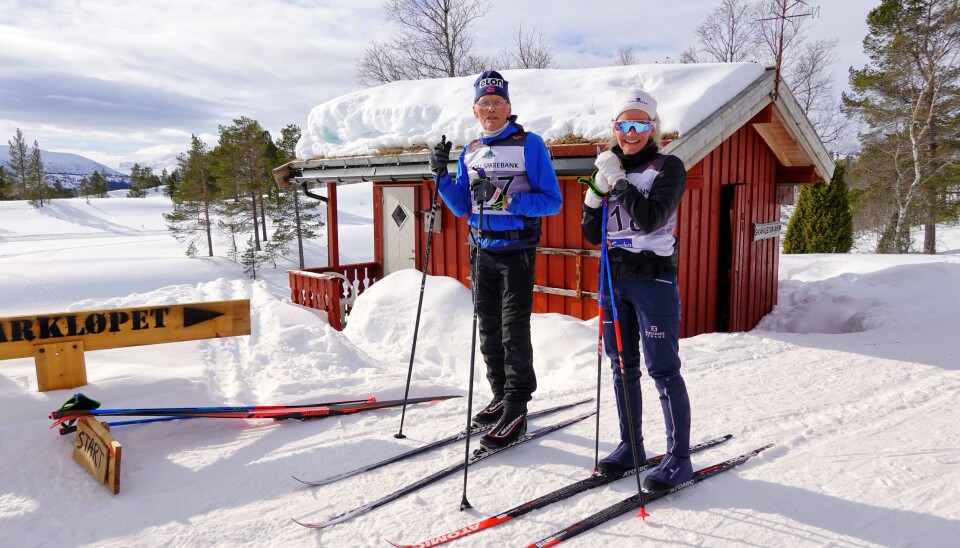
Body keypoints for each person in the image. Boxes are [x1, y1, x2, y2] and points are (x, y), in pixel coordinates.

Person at [429, 70, 563, 450]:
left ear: (509, 107)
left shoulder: (529, 144)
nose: (491, 109)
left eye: (497, 103)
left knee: (512, 330)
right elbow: (460, 206)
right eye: (484, 103)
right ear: (475, 109)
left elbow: (552, 201)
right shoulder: (469, 150)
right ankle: (500, 394)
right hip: (480, 249)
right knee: (488, 330)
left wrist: (506, 200)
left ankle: (518, 406)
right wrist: (440, 175)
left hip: (516, 250)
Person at [580, 88, 691, 492]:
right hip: (613, 276)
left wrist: (618, 180)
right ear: (614, 127)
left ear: (652, 128)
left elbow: (649, 220)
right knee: (621, 366)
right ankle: (632, 446)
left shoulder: (668, 167)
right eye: (623, 124)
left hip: (653, 277)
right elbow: (591, 234)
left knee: (662, 369)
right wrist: (595, 192)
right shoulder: (607, 168)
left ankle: (679, 458)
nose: (631, 132)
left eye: (640, 124)